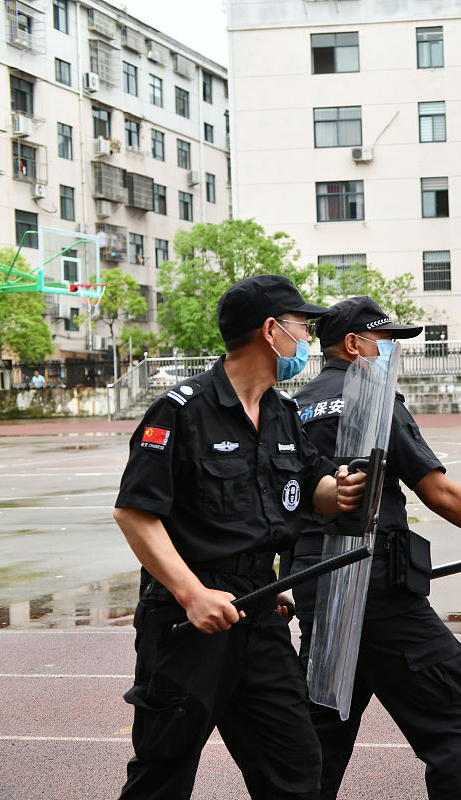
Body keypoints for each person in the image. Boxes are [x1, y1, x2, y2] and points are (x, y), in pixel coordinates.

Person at [288, 296, 461, 800]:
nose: (394, 353)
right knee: (455, 720)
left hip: (315, 589)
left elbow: (280, 504)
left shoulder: (293, 409)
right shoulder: (370, 396)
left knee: (321, 736)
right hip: (377, 591)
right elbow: (437, 491)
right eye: (387, 342)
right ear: (354, 345)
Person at [111, 274, 366, 799]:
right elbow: (135, 514)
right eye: (302, 325)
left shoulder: (283, 413)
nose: (307, 338)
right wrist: (192, 594)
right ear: (271, 332)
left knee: (296, 766)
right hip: (189, 619)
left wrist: (342, 488)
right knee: (164, 770)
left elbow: (311, 485)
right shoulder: (181, 411)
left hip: (260, 610)